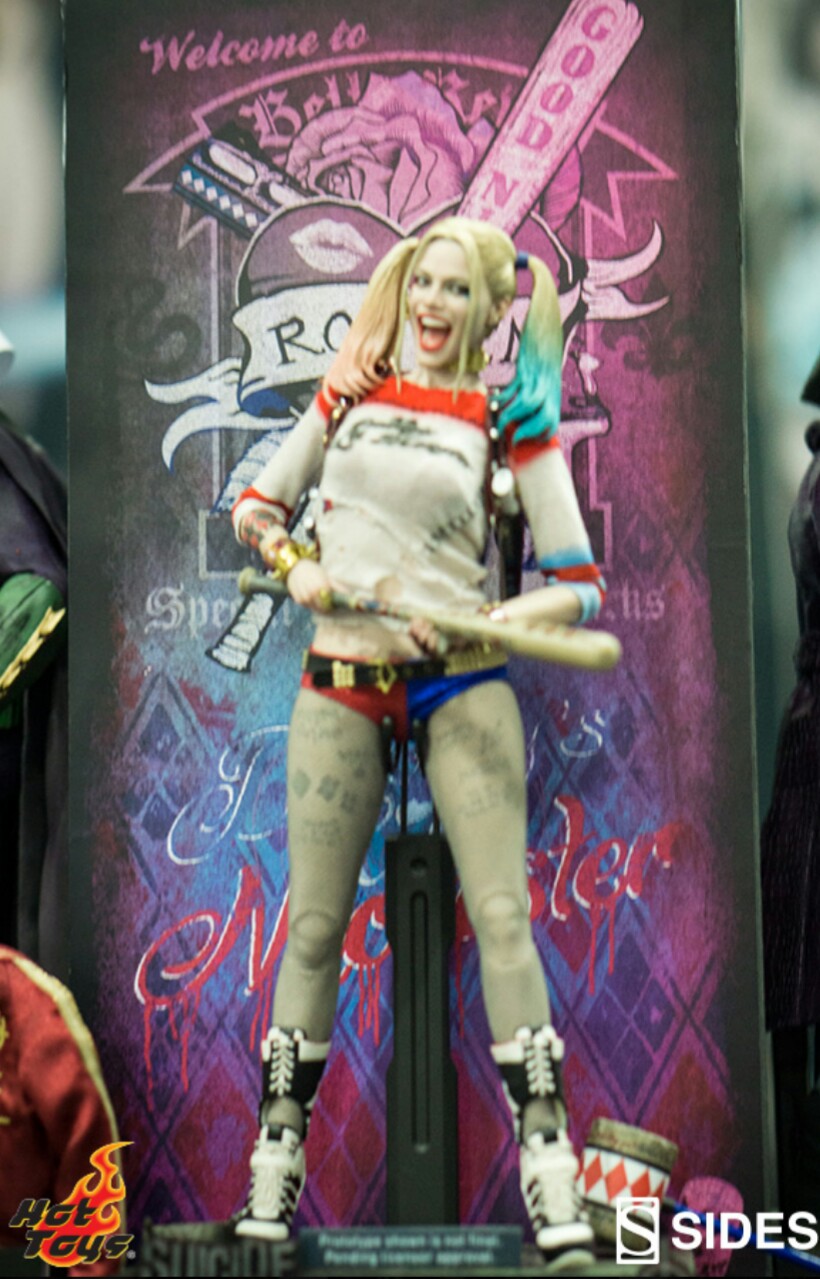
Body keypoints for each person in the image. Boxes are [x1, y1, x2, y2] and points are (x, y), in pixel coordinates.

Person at [230, 216, 605, 1258]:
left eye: (458, 289)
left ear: (488, 312)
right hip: (342, 675)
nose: (436, 303)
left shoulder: (507, 419)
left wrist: (496, 618)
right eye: (424, 282)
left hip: (462, 679)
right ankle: (273, 1163)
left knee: (501, 914)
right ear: (403, 291)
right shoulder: (346, 396)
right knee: (314, 927)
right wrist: (299, 566)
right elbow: (257, 507)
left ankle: (551, 1170)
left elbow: (577, 585)